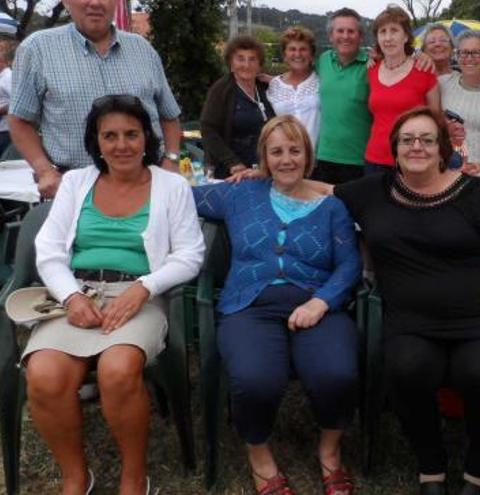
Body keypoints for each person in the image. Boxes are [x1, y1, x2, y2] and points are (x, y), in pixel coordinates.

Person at [335, 107, 480, 495]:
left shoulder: (473, 193)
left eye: (426, 139)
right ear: (395, 149)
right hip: (410, 322)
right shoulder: (373, 191)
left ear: (443, 148)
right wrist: (266, 177)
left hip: (478, 318)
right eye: (407, 140)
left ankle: (479, 471)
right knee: (407, 370)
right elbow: (321, 191)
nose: (416, 147)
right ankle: (431, 467)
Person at [23, 95, 204, 495]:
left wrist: (145, 287)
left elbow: (191, 254)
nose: (122, 145)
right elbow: (50, 251)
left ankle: (134, 478)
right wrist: (71, 297)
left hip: (138, 293)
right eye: (110, 136)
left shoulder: (172, 185)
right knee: (44, 375)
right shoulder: (75, 182)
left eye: (131, 134)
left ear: (146, 138)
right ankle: (75, 476)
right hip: (77, 293)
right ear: (96, 141)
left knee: (117, 371)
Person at [193, 115, 361, 495]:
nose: (287, 159)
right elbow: (176, 196)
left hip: (316, 305)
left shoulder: (332, 207)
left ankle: (330, 450)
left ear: (308, 155)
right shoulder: (240, 193)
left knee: (337, 374)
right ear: (264, 159)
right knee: (255, 379)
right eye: (277, 151)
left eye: (295, 150)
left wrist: (322, 301)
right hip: (250, 306)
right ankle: (259, 454)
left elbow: (350, 263)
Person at [9, 0, 182, 199]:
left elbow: (169, 115)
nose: (96, 3)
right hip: (74, 190)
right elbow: (19, 120)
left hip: (146, 187)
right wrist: (45, 171)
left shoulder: (143, 50)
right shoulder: (37, 49)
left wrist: (172, 160)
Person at [364, 6, 440, 174]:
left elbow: (437, 121)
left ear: (406, 36)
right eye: (382, 32)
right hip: (374, 159)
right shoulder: (371, 69)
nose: (388, 38)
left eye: (394, 31)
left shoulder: (424, 70)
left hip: (413, 160)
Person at [201, 35, 276, 180]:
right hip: (232, 172)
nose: (246, 65)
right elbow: (208, 129)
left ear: (259, 64)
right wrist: (233, 163)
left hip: (263, 170)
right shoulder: (221, 90)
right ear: (231, 63)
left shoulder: (265, 88)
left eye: (252, 59)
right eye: (240, 59)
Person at [312, 7, 372, 185]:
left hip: (358, 160)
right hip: (323, 158)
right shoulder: (323, 60)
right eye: (340, 30)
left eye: (351, 31)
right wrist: (272, 79)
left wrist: (419, 55)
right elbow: (300, 76)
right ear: (331, 36)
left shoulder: (372, 65)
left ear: (360, 37)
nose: (345, 36)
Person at [440, 30, 480, 185]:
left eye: (476, 53)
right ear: (457, 56)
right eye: (463, 53)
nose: (469, 58)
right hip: (451, 168)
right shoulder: (442, 84)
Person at [266, 26, 320, 151]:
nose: (297, 54)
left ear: (311, 54)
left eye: (303, 49)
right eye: (292, 49)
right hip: (286, 161)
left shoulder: (322, 81)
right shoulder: (274, 85)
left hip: (318, 161)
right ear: (284, 55)